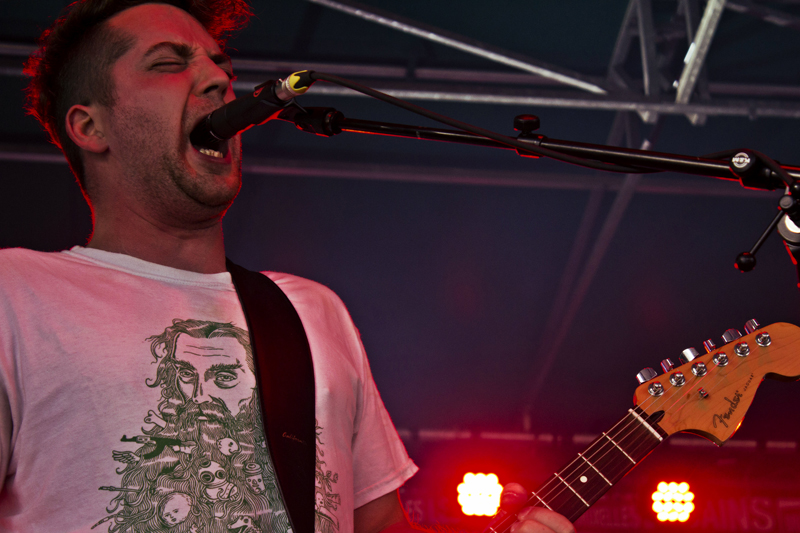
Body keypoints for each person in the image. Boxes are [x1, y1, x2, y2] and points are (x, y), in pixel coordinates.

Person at [0, 1, 575, 532]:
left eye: (221, 65)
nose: (218, 80)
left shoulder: (309, 310)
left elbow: (380, 525)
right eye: (169, 64)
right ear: (90, 127)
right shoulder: (17, 293)